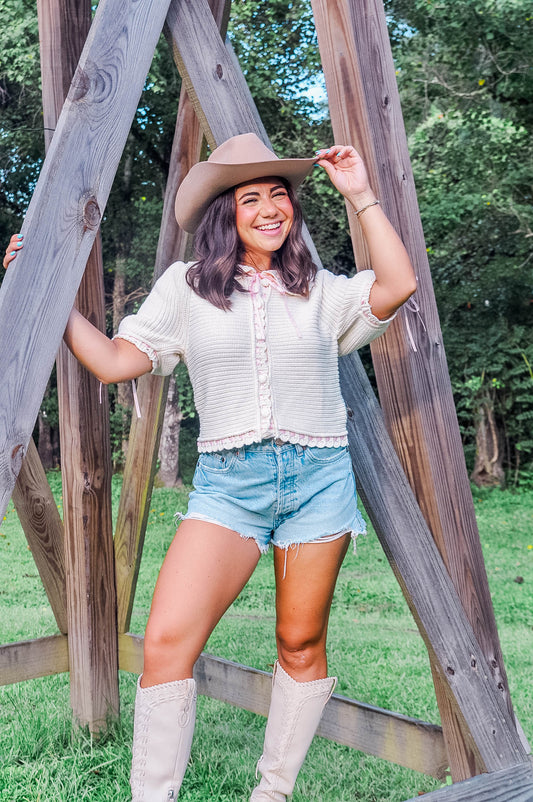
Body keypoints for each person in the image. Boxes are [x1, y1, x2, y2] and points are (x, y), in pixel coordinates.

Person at [3, 132, 416, 801]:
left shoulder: (320, 291)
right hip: (229, 486)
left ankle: (271, 793)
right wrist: (47, 297)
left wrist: (361, 194)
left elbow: (398, 283)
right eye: (251, 198)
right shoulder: (184, 289)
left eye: (278, 194)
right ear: (227, 215)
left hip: (317, 481)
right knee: (167, 643)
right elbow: (113, 361)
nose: (270, 208)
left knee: (300, 640)